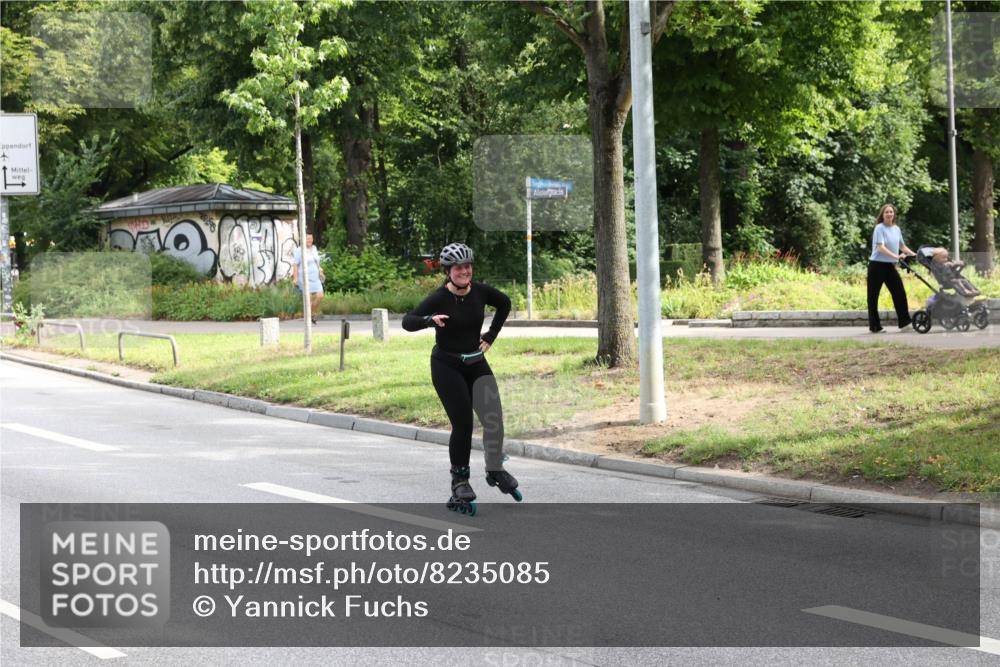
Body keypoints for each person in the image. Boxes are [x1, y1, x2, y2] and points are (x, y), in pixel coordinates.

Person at [402, 242, 518, 515]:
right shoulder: (438, 297)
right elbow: (408, 321)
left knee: (494, 418)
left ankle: (495, 469)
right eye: (458, 268)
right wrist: (429, 320)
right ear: (448, 271)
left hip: (476, 362)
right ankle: (460, 481)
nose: (464, 271)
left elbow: (504, 304)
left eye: (467, 266)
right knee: (463, 423)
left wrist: (490, 337)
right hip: (447, 366)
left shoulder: (480, 292)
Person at [867, 204, 916, 333]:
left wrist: (915, 254)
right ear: (882, 215)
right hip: (876, 265)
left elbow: (902, 246)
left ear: (894, 214)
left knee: (899, 292)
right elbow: (880, 247)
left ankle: (905, 323)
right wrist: (896, 256)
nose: (889, 214)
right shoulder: (879, 228)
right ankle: (875, 327)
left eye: (891, 212)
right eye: (886, 212)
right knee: (873, 296)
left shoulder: (896, 229)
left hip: (890, 266)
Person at [291, 233, 324, 325]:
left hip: (315, 277)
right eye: (308, 239)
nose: (309, 240)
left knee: (320, 296)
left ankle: (311, 313)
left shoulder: (314, 249)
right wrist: (295, 278)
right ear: (303, 240)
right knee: (308, 298)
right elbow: (295, 265)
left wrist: (320, 271)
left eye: (311, 239)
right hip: (304, 277)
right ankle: (309, 318)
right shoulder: (299, 251)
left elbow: (317, 261)